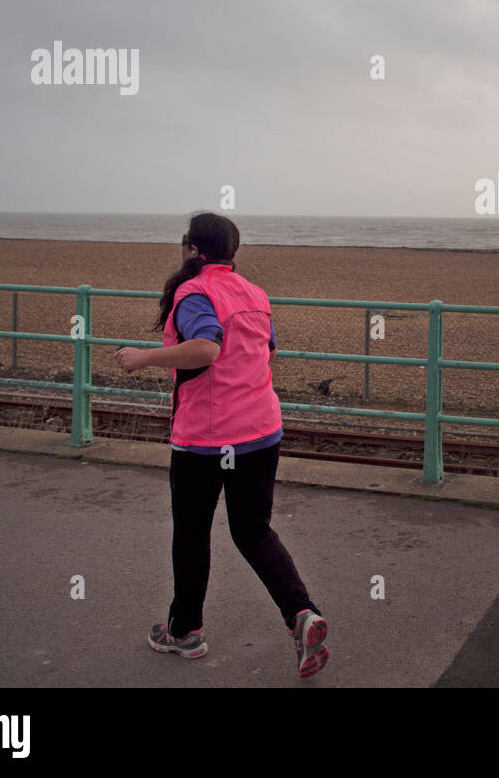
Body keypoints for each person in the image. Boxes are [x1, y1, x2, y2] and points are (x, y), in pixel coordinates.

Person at [114, 211, 329, 679]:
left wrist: (142, 358)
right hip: (261, 431)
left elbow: (207, 347)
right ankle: (302, 615)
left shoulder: (194, 292)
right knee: (254, 532)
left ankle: (184, 632)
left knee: (192, 533)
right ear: (233, 252)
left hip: (206, 440)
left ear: (194, 249)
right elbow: (267, 350)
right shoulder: (254, 292)